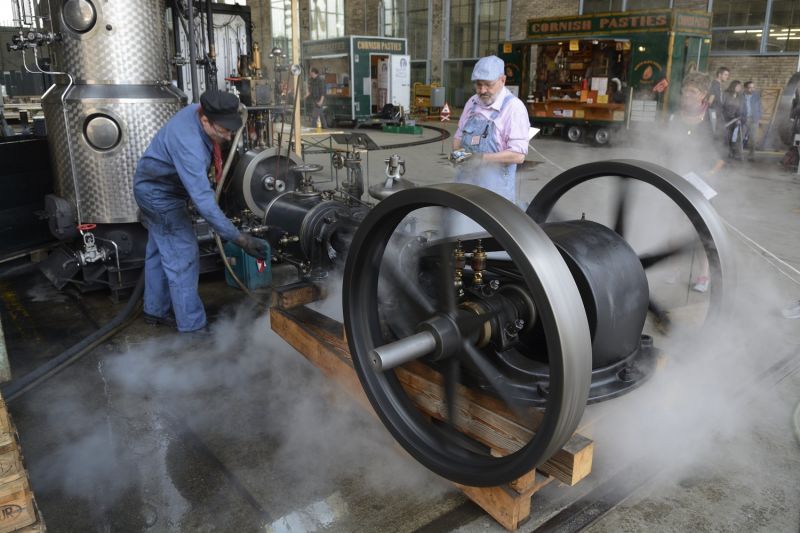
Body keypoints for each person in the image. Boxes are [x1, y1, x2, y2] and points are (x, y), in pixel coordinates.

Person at [133, 90, 268, 334]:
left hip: (153, 187)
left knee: (159, 251)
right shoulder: (190, 145)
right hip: (160, 196)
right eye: (223, 130)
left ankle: (154, 310)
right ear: (205, 120)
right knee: (183, 256)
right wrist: (239, 238)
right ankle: (192, 328)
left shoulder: (200, 111)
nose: (228, 137)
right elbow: (204, 203)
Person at [663, 71, 725, 293]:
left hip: (703, 183)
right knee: (674, 229)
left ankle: (703, 275)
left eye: (693, 92)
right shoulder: (673, 117)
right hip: (677, 178)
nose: (687, 96)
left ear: (703, 95)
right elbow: (667, 150)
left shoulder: (713, 117)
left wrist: (709, 174)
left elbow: (722, 153)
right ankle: (675, 268)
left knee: (701, 232)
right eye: (685, 91)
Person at [450, 55, 529, 204]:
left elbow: (518, 155)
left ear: (502, 80)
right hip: (465, 186)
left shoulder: (514, 108)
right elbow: (458, 136)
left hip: (495, 194)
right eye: (478, 84)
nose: (482, 90)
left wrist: (481, 159)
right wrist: (458, 156)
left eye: (488, 84)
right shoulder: (472, 102)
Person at [721, 80, 744, 160]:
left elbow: (740, 108)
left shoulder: (739, 96)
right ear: (733, 86)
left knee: (732, 137)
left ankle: (730, 153)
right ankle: (722, 153)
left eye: (740, 87)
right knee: (724, 137)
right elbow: (721, 106)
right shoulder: (726, 94)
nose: (739, 88)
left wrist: (739, 117)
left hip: (734, 120)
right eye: (738, 86)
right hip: (725, 119)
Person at [742, 81, 762, 161]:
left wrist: (758, 117)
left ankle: (751, 156)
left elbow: (760, 107)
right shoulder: (741, 96)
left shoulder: (756, 96)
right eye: (749, 87)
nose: (752, 89)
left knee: (753, 139)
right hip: (743, 119)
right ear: (745, 88)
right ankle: (738, 154)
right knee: (740, 137)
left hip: (754, 120)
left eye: (753, 87)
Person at [707, 66, 729, 135]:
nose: (727, 77)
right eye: (725, 75)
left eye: (727, 75)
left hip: (717, 112)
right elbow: (710, 101)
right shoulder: (715, 84)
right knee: (715, 133)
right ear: (719, 75)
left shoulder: (717, 84)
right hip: (714, 113)